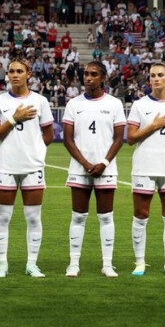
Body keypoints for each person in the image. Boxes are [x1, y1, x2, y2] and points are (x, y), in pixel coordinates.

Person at [0, 57, 54, 278]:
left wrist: (34, 151)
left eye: (19, 71)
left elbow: (49, 135)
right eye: (11, 71)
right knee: (3, 217)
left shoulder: (40, 101)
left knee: (34, 217)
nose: (14, 75)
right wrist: (14, 119)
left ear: (29, 74)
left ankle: (32, 264)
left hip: (32, 167)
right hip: (5, 166)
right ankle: (2, 264)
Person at [63, 60, 125, 278]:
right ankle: (73, 263)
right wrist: (87, 164)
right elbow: (67, 140)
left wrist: (104, 164)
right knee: (78, 217)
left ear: (103, 78)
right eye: (86, 74)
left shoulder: (115, 104)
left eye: (93, 74)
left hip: (106, 169)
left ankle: (107, 264)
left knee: (106, 217)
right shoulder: (73, 104)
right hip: (80, 169)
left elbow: (119, 139)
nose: (88, 78)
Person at [126, 62, 165, 277]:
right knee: (141, 216)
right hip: (144, 167)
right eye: (152, 75)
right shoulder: (139, 105)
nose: (156, 79)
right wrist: (154, 125)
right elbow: (131, 138)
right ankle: (140, 262)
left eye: (160, 75)